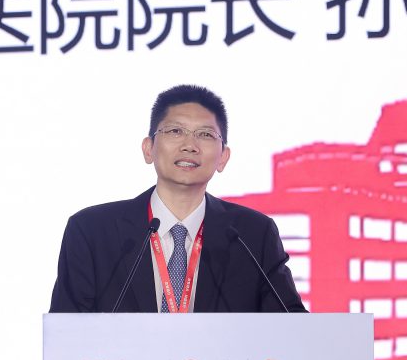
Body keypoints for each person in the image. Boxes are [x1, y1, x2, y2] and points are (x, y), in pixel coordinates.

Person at [49, 84, 306, 313]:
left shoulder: (252, 234)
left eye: (205, 134)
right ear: (148, 149)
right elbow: (66, 333)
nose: (189, 145)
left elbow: (292, 327)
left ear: (223, 157)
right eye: (175, 131)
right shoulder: (92, 230)